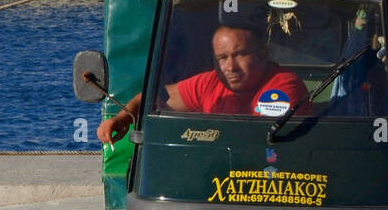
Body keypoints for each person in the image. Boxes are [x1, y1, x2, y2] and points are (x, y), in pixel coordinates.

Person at [97, 24, 310, 144]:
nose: (231, 67)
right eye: (222, 58)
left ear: (263, 54)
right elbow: (155, 97)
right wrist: (123, 118)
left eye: (241, 54)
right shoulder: (210, 83)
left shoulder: (283, 85)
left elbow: (261, 141)